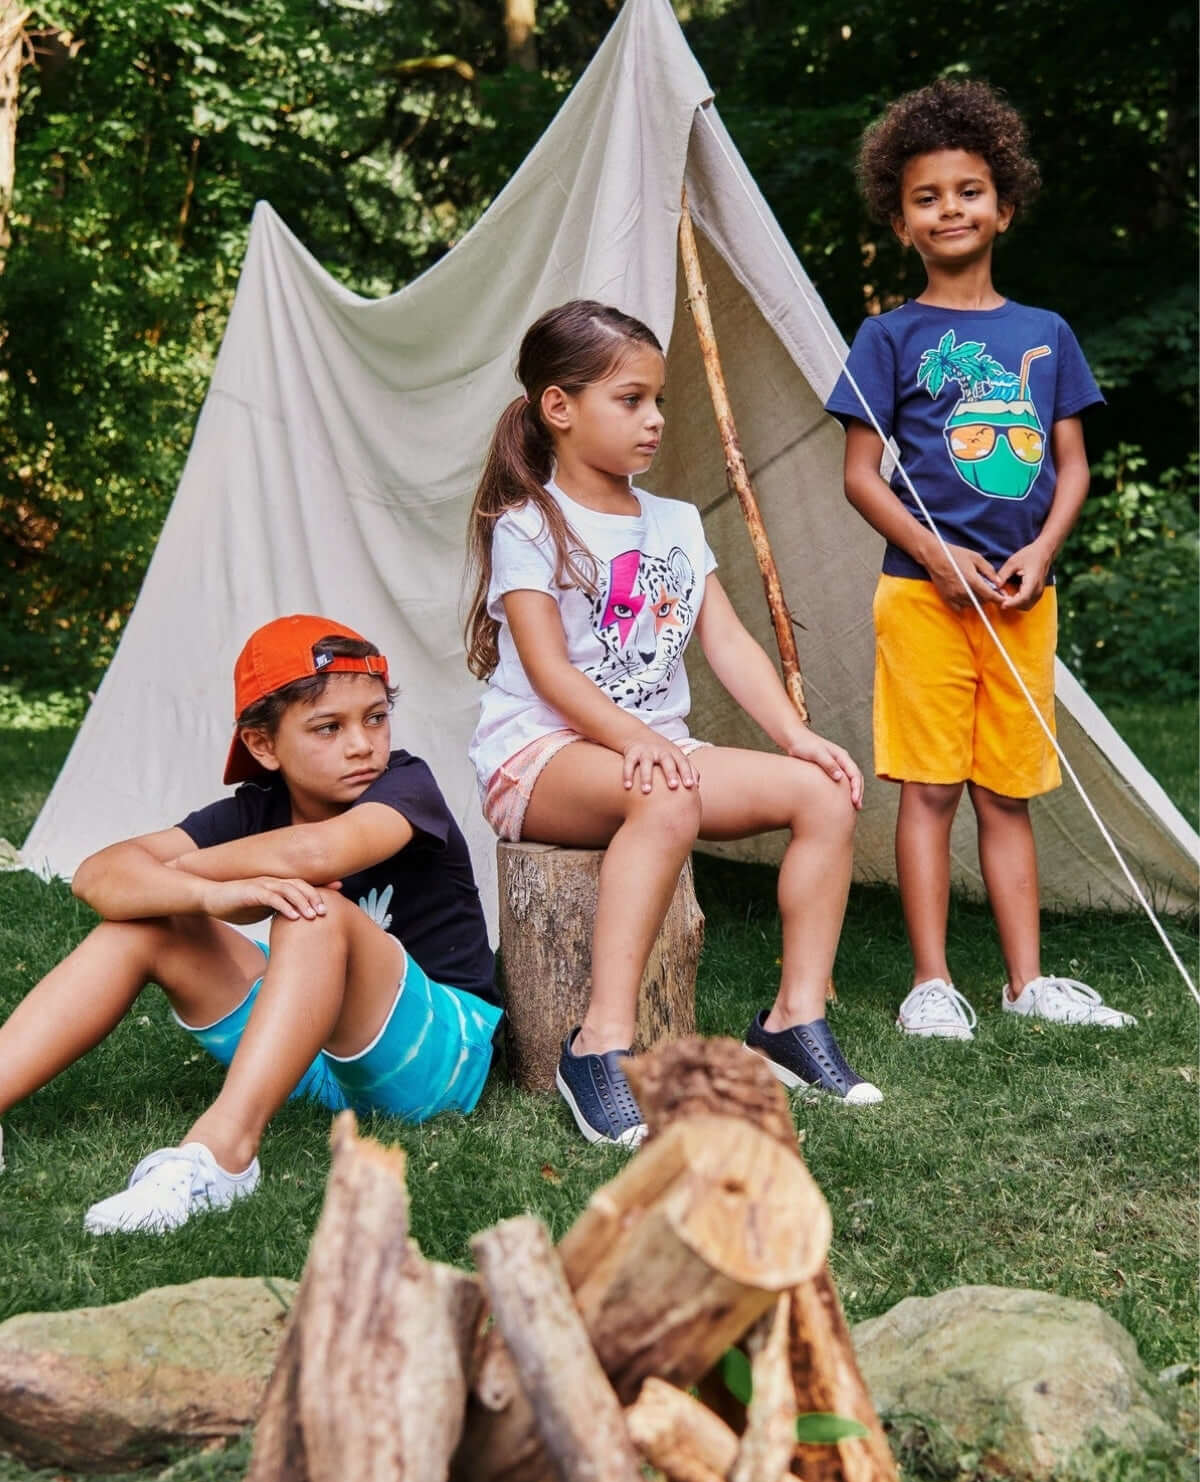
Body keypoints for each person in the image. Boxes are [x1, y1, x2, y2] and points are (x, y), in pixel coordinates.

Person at [465, 299, 880, 1147]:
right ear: (559, 407)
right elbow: (546, 668)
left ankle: (793, 1024)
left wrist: (798, 738)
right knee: (664, 800)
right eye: (631, 400)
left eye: (659, 400)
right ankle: (600, 1046)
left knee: (823, 796)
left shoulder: (677, 524)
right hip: (543, 757)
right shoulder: (528, 524)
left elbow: (725, 643)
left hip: (659, 753)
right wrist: (637, 740)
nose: (655, 419)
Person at [0, 615, 502, 1231]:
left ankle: (222, 1157)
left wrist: (176, 876)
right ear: (264, 745)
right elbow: (95, 876)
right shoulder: (253, 810)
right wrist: (206, 897)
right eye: (328, 727)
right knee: (144, 926)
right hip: (309, 1062)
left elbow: (319, 854)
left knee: (310, 909)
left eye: (375, 716)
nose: (361, 744)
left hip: (438, 1058)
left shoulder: (405, 786)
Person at [825, 78, 1135, 1039]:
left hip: (1019, 601)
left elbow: (1073, 466)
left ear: (1005, 205)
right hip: (921, 599)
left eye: (968, 190)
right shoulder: (890, 336)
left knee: (1007, 791)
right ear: (900, 221)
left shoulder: (1046, 334)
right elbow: (861, 475)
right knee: (930, 789)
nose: (949, 208)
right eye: (927, 197)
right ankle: (931, 984)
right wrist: (934, 552)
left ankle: (1024, 982)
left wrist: (1040, 551)